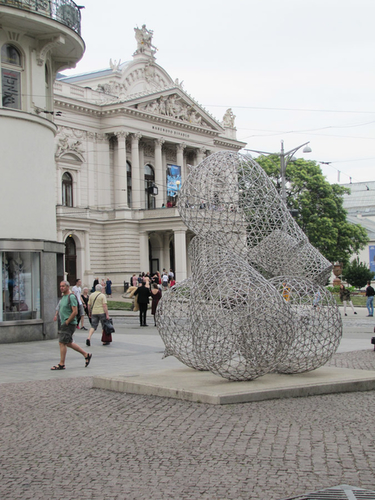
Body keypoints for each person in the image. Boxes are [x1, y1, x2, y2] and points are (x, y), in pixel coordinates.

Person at [51, 281, 92, 370]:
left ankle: (62, 364)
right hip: (65, 323)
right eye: (60, 286)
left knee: (62, 343)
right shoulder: (63, 297)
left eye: (63, 286)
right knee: (68, 343)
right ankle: (86, 355)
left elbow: (75, 311)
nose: (61, 288)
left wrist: (67, 321)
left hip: (69, 324)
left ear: (68, 287)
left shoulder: (71, 297)